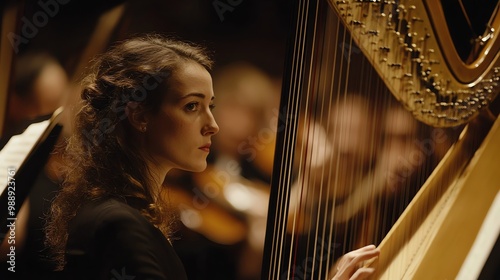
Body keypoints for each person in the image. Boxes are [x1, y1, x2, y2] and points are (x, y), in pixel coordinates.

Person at [44, 34, 379, 280]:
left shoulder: (124, 214)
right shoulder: (120, 225)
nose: (213, 126)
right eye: (192, 106)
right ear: (140, 116)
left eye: (211, 107)